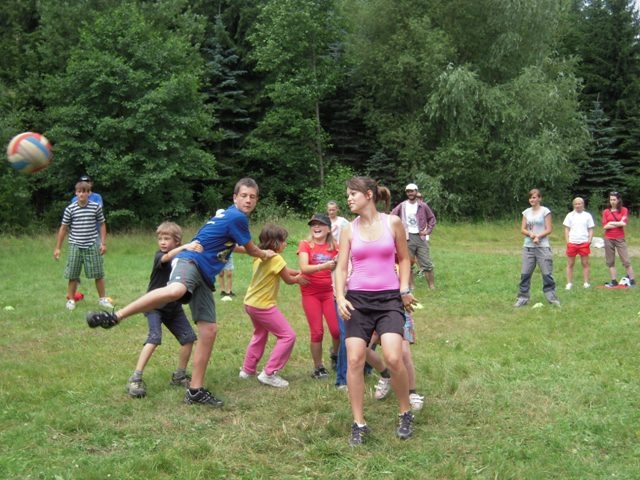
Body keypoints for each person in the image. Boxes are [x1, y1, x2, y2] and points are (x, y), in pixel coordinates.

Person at [86, 178, 276, 407]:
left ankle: (195, 390)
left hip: (204, 275)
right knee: (176, 290)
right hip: (191, 261)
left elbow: (232, 246)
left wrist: (257, 251)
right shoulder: (238, 217)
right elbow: (252, 249)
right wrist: (264, 253)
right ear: (235, 197)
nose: (248, 200)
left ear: (256, 200)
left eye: (252, 197)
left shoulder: (228, 216)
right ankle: (115, 316)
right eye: (243, 195)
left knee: (209, 331)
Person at [335, 176, 416, 446]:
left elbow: (404, 258)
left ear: (368, 195)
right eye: (347, 195)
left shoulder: (392, 223)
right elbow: (341, 268)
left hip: (389, 299)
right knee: (355, 359)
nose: (348, 199)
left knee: (393, 357)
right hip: (357, 300)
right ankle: (359, 423)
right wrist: (340, 297)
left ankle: (405, 412)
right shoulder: (348, 230)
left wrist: (404, 289)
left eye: (353, 194)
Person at [126, 222, 200, 398]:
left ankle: (179, 376)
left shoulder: (182, 258)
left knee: (188, 338)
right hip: (154, 306)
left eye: (167, 239)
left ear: (176, 240)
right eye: (160, 239)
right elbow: (167, 258)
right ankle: (135, 378)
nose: (163, 242)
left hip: (173, 307)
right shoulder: (160, 256)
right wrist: (185, 246)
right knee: (154, 337)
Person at [239, 224, 307, 388]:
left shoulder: (260, 255)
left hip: (250, 303)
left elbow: (284, 270)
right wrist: (298, 279)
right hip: (263, 306)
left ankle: (247, 370)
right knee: (288, 336)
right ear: (275, 243)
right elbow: (288, 280)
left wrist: (298, 271)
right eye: (283, 241)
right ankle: (269, 373)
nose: (285, 244)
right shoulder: (276, 259)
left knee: (260, 334)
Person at [54, 180, 113, 311]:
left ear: (88, 193)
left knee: (98, 273)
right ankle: (71, 300)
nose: (81, 194)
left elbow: (102, 224)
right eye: (79, 192)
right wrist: (58, 248)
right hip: (75, 244)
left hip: (92, 243)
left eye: (84, 192)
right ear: (76, 193)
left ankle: (102, 299)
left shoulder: (95, 207)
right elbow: (63, 228)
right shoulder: (70, 209)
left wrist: (103, 243)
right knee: (73, 274)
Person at [297, 213, 341, 379]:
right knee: (317, 332)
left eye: (320, 224)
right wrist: (325, 266)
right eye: (313, 224)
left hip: (330, 292)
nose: (316, 227)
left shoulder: (335, 246)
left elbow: (345, 263)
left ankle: (335, 354)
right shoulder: (305, 244)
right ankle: (318, 367)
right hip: (311, 292)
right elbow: (304, 268)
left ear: (328, 229)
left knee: (337, 330)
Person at [368, 312, 424, 411]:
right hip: (373, 312)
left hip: (398, 312)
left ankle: (412, 392)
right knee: (361, 350)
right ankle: (386, 374)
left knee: (404, 353)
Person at [514, 188, 560, 307]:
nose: (532, 199)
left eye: (534, 197)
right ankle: (522, 298)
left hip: (542, 247)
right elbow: (523, 229)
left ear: (539, 198)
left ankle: (552, 299)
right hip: (528, 247)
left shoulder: (545, 211)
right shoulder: (526, 212)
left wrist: (538, 236)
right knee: (525, 274)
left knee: (547, 274)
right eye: (530, 197)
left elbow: (549, 229)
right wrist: (531, 234)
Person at [391, 183, 437, 289]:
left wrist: (428, 231)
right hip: (407, 238)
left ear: (416, 191)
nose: (410, 193)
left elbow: (432, 218)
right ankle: (411, 287)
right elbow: (392, 216)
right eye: (408, 191)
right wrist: (397, 230)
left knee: (426, 263)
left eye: (412, 191)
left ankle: (432, 287)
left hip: (420, 237)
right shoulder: (402, 205)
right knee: (408, 263)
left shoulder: (423, 205)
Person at [602, 191, 636, 287]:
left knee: (626, 261)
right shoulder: (606, 212)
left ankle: (632, 280)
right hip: (608, 239)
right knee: (610, 261)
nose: (612, 201)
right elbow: (605, 226)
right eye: (611, 199)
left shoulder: (624, 210)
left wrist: (611, 223)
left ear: (618, 200)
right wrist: (617, 223)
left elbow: (623, 223)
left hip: (620, 238)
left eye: (614, 199)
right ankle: (614, 281)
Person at [563, 197, 595, 290]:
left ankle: (586, 283)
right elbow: (567, 229)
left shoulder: (587, 215)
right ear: (573, 205)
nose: (577, 205)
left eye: (579, 203)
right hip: (572, 242)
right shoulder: (569, 215)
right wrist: (568, 241)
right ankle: (569, 283)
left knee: (585, 263)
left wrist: (589, 240)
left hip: (584, 242)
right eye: (576, 204)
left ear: (583, 204)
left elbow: (591, 229)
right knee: (570, 264)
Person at [215, 209, 236, 301]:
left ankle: (229, 291)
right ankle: (222, 290)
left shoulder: (229, 228)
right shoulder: (214, 228)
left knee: (229, 273)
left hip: (228, 253)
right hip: (219, 253)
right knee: (221, 273)